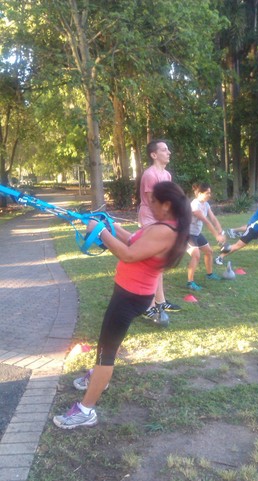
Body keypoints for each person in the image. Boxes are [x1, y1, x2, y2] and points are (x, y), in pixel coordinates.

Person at [53, 181, 192, 429]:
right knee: (107, 344)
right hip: (129, 293)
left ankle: (86, 410)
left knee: (105, 353)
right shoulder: (166, 226)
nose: (149, 205)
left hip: (130, 297)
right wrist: (113, 227)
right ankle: (97, 378)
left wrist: (100, 231)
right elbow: (133, 243)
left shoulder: (165, 231)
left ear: (167, 204)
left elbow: (127, 255)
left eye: (153, 202)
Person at [138, 139, 181, 323]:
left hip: (162, 219)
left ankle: (160, 301)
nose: (168, 152)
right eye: (164, 150)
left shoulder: (167, 175)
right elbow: (152, 202)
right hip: (150, 218)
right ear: (154, 155)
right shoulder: (150, 175)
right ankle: (147, 306)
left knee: (160, 262)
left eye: (168, 149)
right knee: (151, 262)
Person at [187, 182, 225, 290]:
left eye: (210, 193)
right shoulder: (195, 205)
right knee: (196, 255)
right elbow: (206, 221)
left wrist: (220, 231)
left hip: (196, 233)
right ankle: (190, 282)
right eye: (207, 193)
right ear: (199, 193)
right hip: (187, 234)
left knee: (209, 252)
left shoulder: (206, 205)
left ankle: (209, 274)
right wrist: (216, 236)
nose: (209, 195)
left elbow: (213, 218)